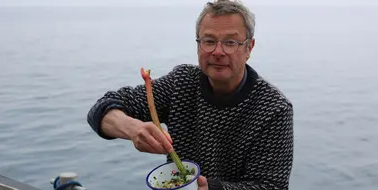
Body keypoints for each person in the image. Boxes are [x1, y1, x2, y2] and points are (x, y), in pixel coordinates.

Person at [87, 0, 294, 189]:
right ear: (198, 45)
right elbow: (100, 110)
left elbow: (271, 185)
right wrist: (133, 129)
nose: (218, 52)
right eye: (209, 41)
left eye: (230, 42)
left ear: (249, 47)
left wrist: (211, 188)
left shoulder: (273, 109)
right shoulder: (182, 82)